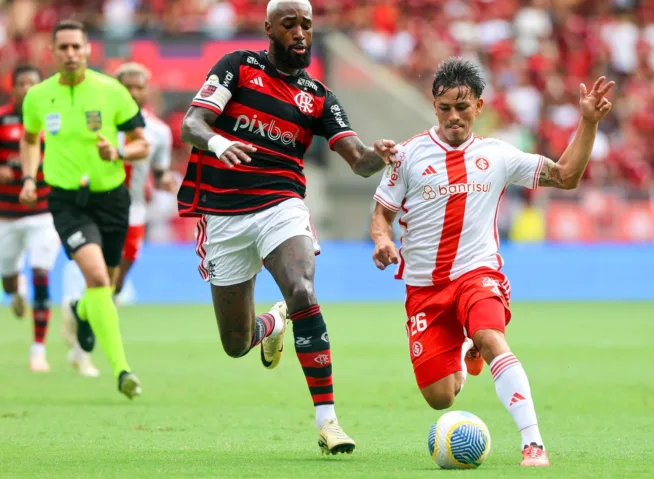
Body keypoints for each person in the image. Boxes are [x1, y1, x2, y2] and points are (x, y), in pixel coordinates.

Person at [369, 58, 614, 467]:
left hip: (477, 274)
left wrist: (587, 122)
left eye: (462, 108)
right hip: (424, 288)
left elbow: (566, 176)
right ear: (434, 107)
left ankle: (532, 443)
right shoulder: (407, 156)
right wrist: (381, 240)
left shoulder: (497, 155)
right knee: (440, 397)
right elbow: (381, 214)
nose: (454, 117)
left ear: (479, 107)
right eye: (445, 108)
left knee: (491, 337)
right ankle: (466, 345)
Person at [177, 0, 391, 455]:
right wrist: (218, 142)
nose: (300, 33)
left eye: (306, 25)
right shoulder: (237, 67)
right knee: (235, 345)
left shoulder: (319, 97)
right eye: (289, 24)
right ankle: (272, 323)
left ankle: (328, 421)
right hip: (224, 216)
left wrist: (384, 153)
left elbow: (358, 161)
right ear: (269, 27)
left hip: (281, 205)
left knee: (303, 290)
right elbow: (192, 123)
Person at [19, 20, 150, 399]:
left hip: (111, 198)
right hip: (66, 201)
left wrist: (120, 151)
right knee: (96, 278)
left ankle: (82, 313)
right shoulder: (39, 97)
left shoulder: (111, 91)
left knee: (105, 286)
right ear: (53, 52)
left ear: (88, 49)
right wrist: (30, 178)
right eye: (63, 48)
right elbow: (30, 140)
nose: (71, 54)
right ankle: (123, 370)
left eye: (77, 46)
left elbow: (142, 143)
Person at [60, 61, 177, 375]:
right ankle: (84, 352)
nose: (134, 92)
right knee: (97, 278)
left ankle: (79, 312)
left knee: (115, 285)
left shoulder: (159, 131)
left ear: (147, 90)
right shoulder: (99, 122)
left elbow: (160, 169)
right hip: (97, 207)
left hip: (134, 211)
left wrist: (166, 180)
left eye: (139, 87)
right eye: (128, 86)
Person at [0, 65, 60, 372]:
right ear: (12, 88)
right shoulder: (2, 119)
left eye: (32, 83)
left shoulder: (53, 120)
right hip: (6, 216)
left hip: (43, 213)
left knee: (42, 273)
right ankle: (16, 289)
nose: (27, 88)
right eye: (21, 83)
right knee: (7, 282)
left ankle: (38, 349)